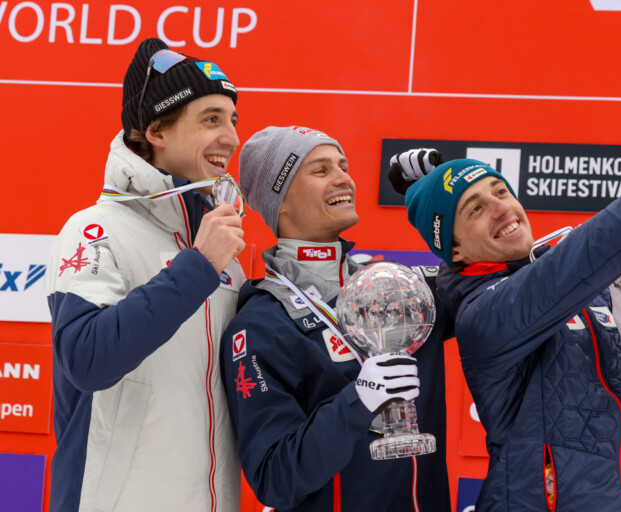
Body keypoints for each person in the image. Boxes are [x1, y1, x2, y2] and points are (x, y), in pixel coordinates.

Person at [392, 83, 621, 511]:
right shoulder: (483, 314)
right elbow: (581, 258)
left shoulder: (593, 296)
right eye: (474, 208)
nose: (501, 207)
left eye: (500, 191)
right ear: (454, 249)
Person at [44, 38, 245, 511]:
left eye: (233, 120)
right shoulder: (96, 230)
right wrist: (197, 267)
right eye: (211, 119)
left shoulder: (222, 254)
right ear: (156, 130)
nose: (232, 138)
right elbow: (87, 359)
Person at [221, 126, 453, 511]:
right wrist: (358, 401)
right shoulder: (261, 325)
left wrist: (444, 199)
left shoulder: (399, 287)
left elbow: (493, 277)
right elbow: (275, 478)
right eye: (321, 170)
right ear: (280, 201)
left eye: (343, 166)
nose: (344, 178)